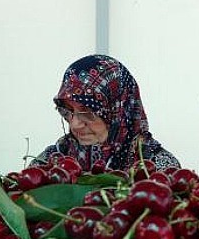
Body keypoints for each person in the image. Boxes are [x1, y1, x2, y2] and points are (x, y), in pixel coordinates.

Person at [34, 54, 180, 172]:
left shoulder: (159, 169)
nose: (75, 124)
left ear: (117, 111)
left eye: (87, 112)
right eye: (66, 111)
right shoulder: (52, 162)